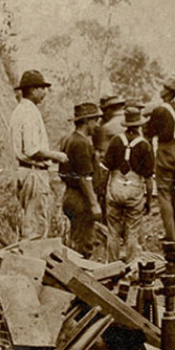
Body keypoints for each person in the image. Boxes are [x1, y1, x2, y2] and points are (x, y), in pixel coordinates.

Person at [9, 70, 68, 240]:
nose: (44, 92)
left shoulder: (20, 110)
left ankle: (29, 262)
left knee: (30, 224)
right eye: (42, 88)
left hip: (24, 172)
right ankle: (32, 264)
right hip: (34, 173)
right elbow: (32, 150)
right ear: (33, 89)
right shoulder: (29, 112)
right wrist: (57, 156)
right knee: (36, 228)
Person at [102, 103, 153, 263]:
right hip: (134, 189)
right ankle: (130, 268)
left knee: (113, 231)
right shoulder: (145, 145)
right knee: (132, 231)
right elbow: (149, 179)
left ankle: (111, 266)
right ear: (139, 125)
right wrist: (149, 200)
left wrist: (104, 191)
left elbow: (105, 170)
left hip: (115, 187)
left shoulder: (116, 141)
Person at [59, 102, 104, 257]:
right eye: (95, 121)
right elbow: (85, 177)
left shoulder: (69, 139)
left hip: (71, 195)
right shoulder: (81, 143)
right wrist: (94, 204)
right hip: (80, 199)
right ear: (86, 121)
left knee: (76, 240)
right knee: (83, 245)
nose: (96, 126)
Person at [145, 77, 175, 241]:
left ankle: (170, 235)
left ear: (168, 92)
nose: (161, 90)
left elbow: (150, 134)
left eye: (163, 88)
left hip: (166, 150)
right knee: (173, 193)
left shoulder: (159, 111)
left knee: (163, 193)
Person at [93, 95, 126, 219]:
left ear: (108, 110)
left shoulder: (106, 128)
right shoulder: (132, 122)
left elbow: (102, 154)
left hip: (113, 172)